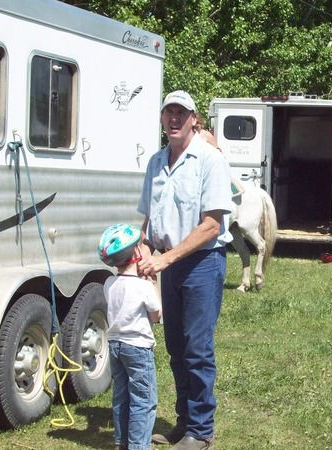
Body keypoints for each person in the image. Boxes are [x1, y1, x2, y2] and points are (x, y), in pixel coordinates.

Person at [137, 90, 233, 450]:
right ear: (162, 119)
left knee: (197, 348)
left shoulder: (209, 159)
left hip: (202, 263)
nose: (174, 118)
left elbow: (211, 225)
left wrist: (165, 260)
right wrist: (140, 250)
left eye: (182, 113)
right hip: (172, 263)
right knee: (176, 348)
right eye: (169, 112)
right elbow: (149, 219)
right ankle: (185, 422)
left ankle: (202, 430)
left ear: (195, 119)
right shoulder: (156, 162)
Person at [98, 223, 161, 450]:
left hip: (115, 345)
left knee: (122, 395)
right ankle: (138, 446)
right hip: (138, 348)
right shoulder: (143, 287)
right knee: (143, 400)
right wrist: (153, 283)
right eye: (140, 245)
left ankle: (121, 442)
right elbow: (156, 315)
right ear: (135, 253)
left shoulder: (109, 283)